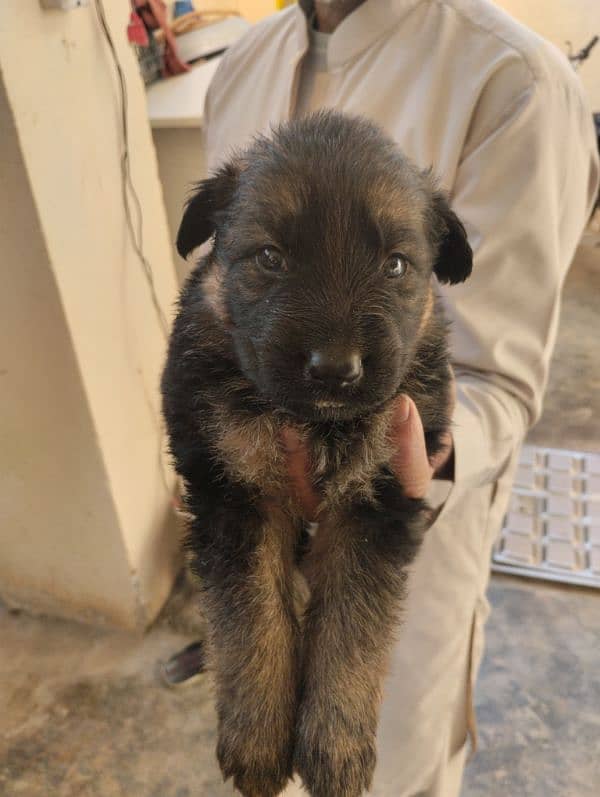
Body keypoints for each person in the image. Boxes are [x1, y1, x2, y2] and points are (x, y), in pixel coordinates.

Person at [198, 1, 599, 794]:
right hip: (255, 521)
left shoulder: (511, 79)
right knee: (263, 749)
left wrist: (416, 458)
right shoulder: (236, 70)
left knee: (383, 770)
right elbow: (221, 284)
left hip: (402, 528)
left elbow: (501, 376)